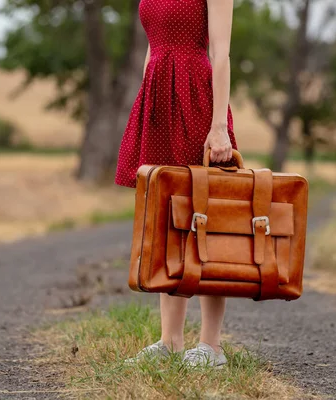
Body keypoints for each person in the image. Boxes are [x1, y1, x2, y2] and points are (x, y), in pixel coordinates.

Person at [114, 0, 238, 368]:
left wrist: (218, 127)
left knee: (206, 220)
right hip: (158, 97)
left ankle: (211, 347)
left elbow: (222, 53)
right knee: (167, 220)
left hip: (196, 96)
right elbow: (152, 47)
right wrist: (146, 101)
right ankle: (170, 341)